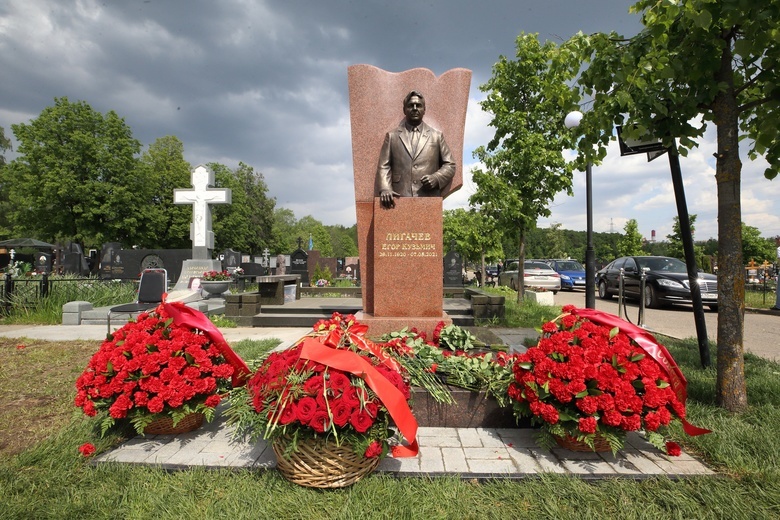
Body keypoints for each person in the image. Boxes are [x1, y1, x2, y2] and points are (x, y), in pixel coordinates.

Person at [376, 90, 456, 208]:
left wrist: (436, 178)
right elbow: (384, 165)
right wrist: (385, 188)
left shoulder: (436, 136)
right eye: (410, 106)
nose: (414, 108)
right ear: (404, 110)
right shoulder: (392, 136)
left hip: (428, 198)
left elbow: (450, 165)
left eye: (418, 105)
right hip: (398, 197)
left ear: (424, 110)